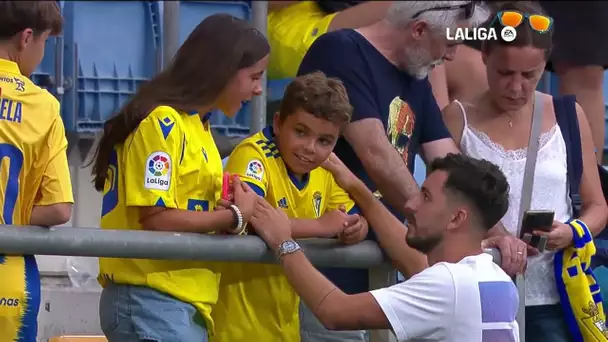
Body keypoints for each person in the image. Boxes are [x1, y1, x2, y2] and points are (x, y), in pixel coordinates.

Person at [90, 14, 269, 342]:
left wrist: (228, 212)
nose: (259, 90)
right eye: (254, 77)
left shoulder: (199, 127)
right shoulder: (163, 122)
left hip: (180, 300)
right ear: (224, 70)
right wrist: (233, 215)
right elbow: (156, 218)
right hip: (150, 298)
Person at [441, 2, 608, 341]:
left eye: (529, 75)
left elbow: (598, 206)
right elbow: (442, 207)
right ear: (484, 57)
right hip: (479, 295)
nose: (516, 88)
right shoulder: (456, 119)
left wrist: (572, 231)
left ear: (544, 66)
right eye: (505, 73)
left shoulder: (567, 115)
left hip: (553, 296)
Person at [247, 152, 518, 342]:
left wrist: (282, 241)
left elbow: (335, 312)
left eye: (426, 197)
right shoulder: (494, 276)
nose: (411, 205)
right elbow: (416, 264)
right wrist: (355, 186)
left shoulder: (449, 283)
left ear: (456, 218)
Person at [213, 71, 369, 342]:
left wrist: (357, 228)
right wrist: (321, 227)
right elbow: (250, 219)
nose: (310, 148)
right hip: (233, 326)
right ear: (277, 123)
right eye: (300, 132)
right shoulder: (254, 154)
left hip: (285, 326)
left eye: (324, 141)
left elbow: (347, 218)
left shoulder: (325, 169)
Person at [0, 2, 73, 341]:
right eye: (45, 42)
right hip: (9, 279)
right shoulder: (43, 107)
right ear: (26, 38)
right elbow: (59, 209)